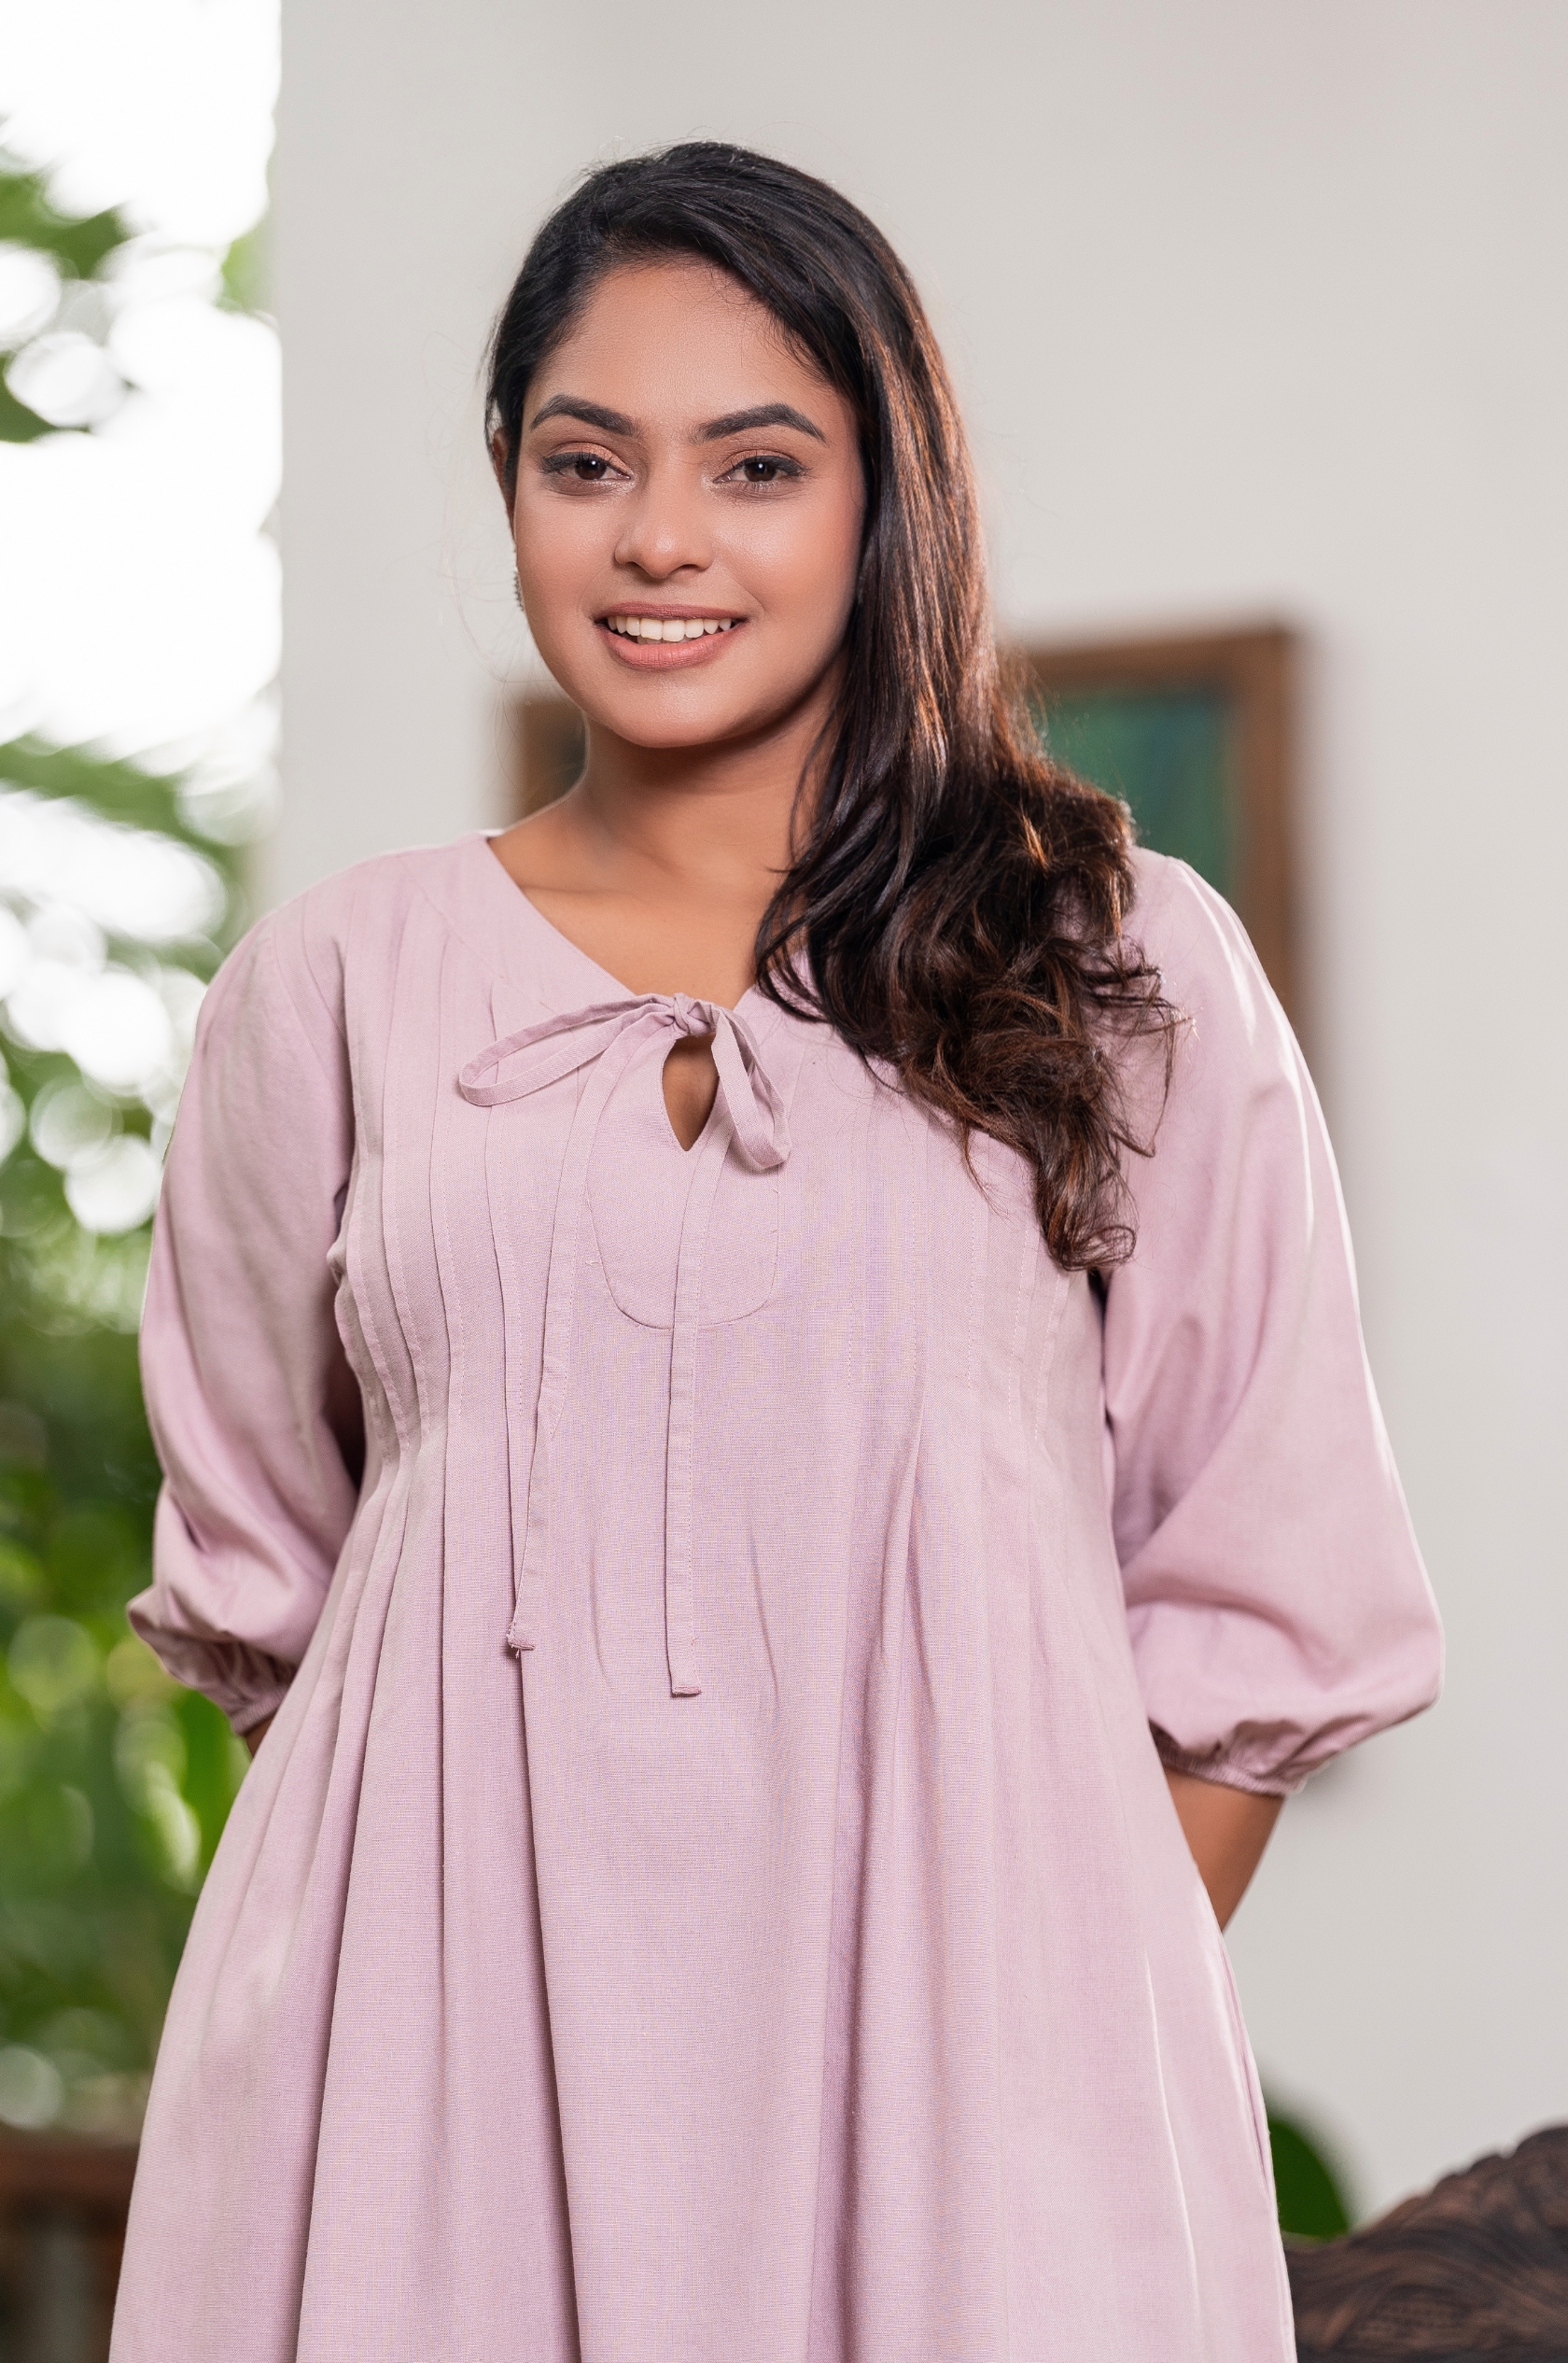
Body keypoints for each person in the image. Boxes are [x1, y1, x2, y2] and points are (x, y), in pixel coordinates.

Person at [108, 143, 1442, 2363]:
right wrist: (442, 2015)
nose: (658, 538)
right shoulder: (330, 987)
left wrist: (1035, 2026)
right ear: (510, 486)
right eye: (585, 462)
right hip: (428, 2113)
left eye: (753, 465)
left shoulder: (1120, 961)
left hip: (972, 2111)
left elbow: (1261, 1585)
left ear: (879, 499)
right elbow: (279, 1600)